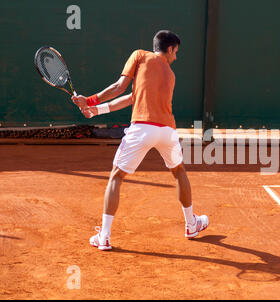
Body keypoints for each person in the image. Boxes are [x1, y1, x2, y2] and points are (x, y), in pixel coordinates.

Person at [71, 30, 208, 251]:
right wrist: (94, 111)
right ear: (170, 48)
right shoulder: (170, 75)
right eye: (176, 52)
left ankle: (104, 236)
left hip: (142, 129)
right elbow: (132, 98)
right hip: (167, 132)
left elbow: (119, 88)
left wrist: (88, 100)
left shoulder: (140, 56)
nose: (176, 57)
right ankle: (191, 224)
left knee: (116, 177)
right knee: (179, 172)